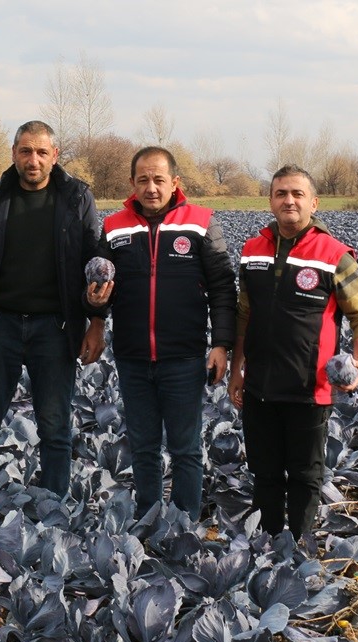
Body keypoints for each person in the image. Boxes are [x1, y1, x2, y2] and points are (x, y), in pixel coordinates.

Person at [0, 120, 105, 500]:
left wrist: (97, 322)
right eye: (25, 151)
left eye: (41, 152)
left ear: (55, 156)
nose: (33, 160)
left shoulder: (76, 197)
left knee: (54, 425)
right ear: (14, 154)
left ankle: (53, 505)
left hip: (56, 326)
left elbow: (93, 263)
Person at [227, 164, 358, 537]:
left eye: (297, 194)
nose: (289, 200)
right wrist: (236, 371)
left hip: (309, 390)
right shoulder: (252, 250)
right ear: (270, 201)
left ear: (314, 202)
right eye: (281, 193)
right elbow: (244, 315)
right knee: (264, 474)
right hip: (260, 386)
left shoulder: (335, 255)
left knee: (305, 475)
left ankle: (299, 549)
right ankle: (267, 547)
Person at [85, 147, 236, 520]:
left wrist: (221, 344)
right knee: (143, 446)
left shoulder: (201, 223)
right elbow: (100, 285)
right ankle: (148, 518)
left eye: (159, 180)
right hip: (133, 356)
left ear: (175, 183)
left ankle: (184, 521)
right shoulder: (114, 227)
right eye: (143, 180)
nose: (151, 188)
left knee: (186, 448)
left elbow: (222, 287)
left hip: (183, 356)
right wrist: (94, 307)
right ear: (132, 183)